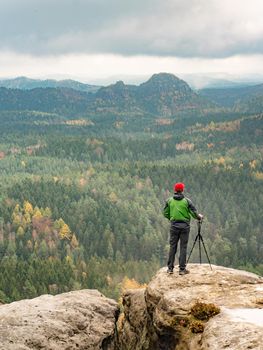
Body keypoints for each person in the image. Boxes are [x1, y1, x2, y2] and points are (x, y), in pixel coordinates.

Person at [163, 182, 203, 275]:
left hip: (174, 226)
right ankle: (182, 269)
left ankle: (170, 269)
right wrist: (199, 217)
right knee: (183, 247)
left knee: (173, 246)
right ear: (182, 190)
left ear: (175, 190)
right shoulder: (187, 201)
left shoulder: (169, 201)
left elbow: (165, 213)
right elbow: (194, 213)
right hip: (185, 227)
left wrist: (172, 218)